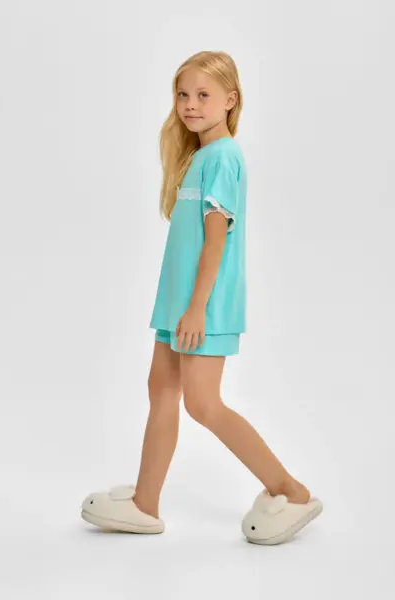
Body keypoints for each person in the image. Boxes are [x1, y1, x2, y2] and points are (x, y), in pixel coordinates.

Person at [81, 50, 323, 544]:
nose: (190, 104)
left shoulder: (224, 157)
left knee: (203, 403)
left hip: (202, 306)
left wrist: (196, 308)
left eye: (203, 95)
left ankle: (290, 490)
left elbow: (216, 242)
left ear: (230, 100)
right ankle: (145, 503)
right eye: (183, 94)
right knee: (161, 390)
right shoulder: (199, 157)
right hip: (178, 303)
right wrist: (181, 306)